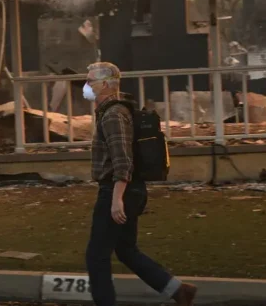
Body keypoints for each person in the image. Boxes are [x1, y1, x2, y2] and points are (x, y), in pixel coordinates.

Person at [83, 62, 197, 306]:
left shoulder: (113, 114)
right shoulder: (111, 111)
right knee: (125, 250)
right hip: (129, 190)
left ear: (104, 85)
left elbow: (123, 160)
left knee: (97, 256)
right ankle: (178, 291)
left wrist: (116, 200)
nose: (86, 86)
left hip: (119, 190)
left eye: (90, 81)